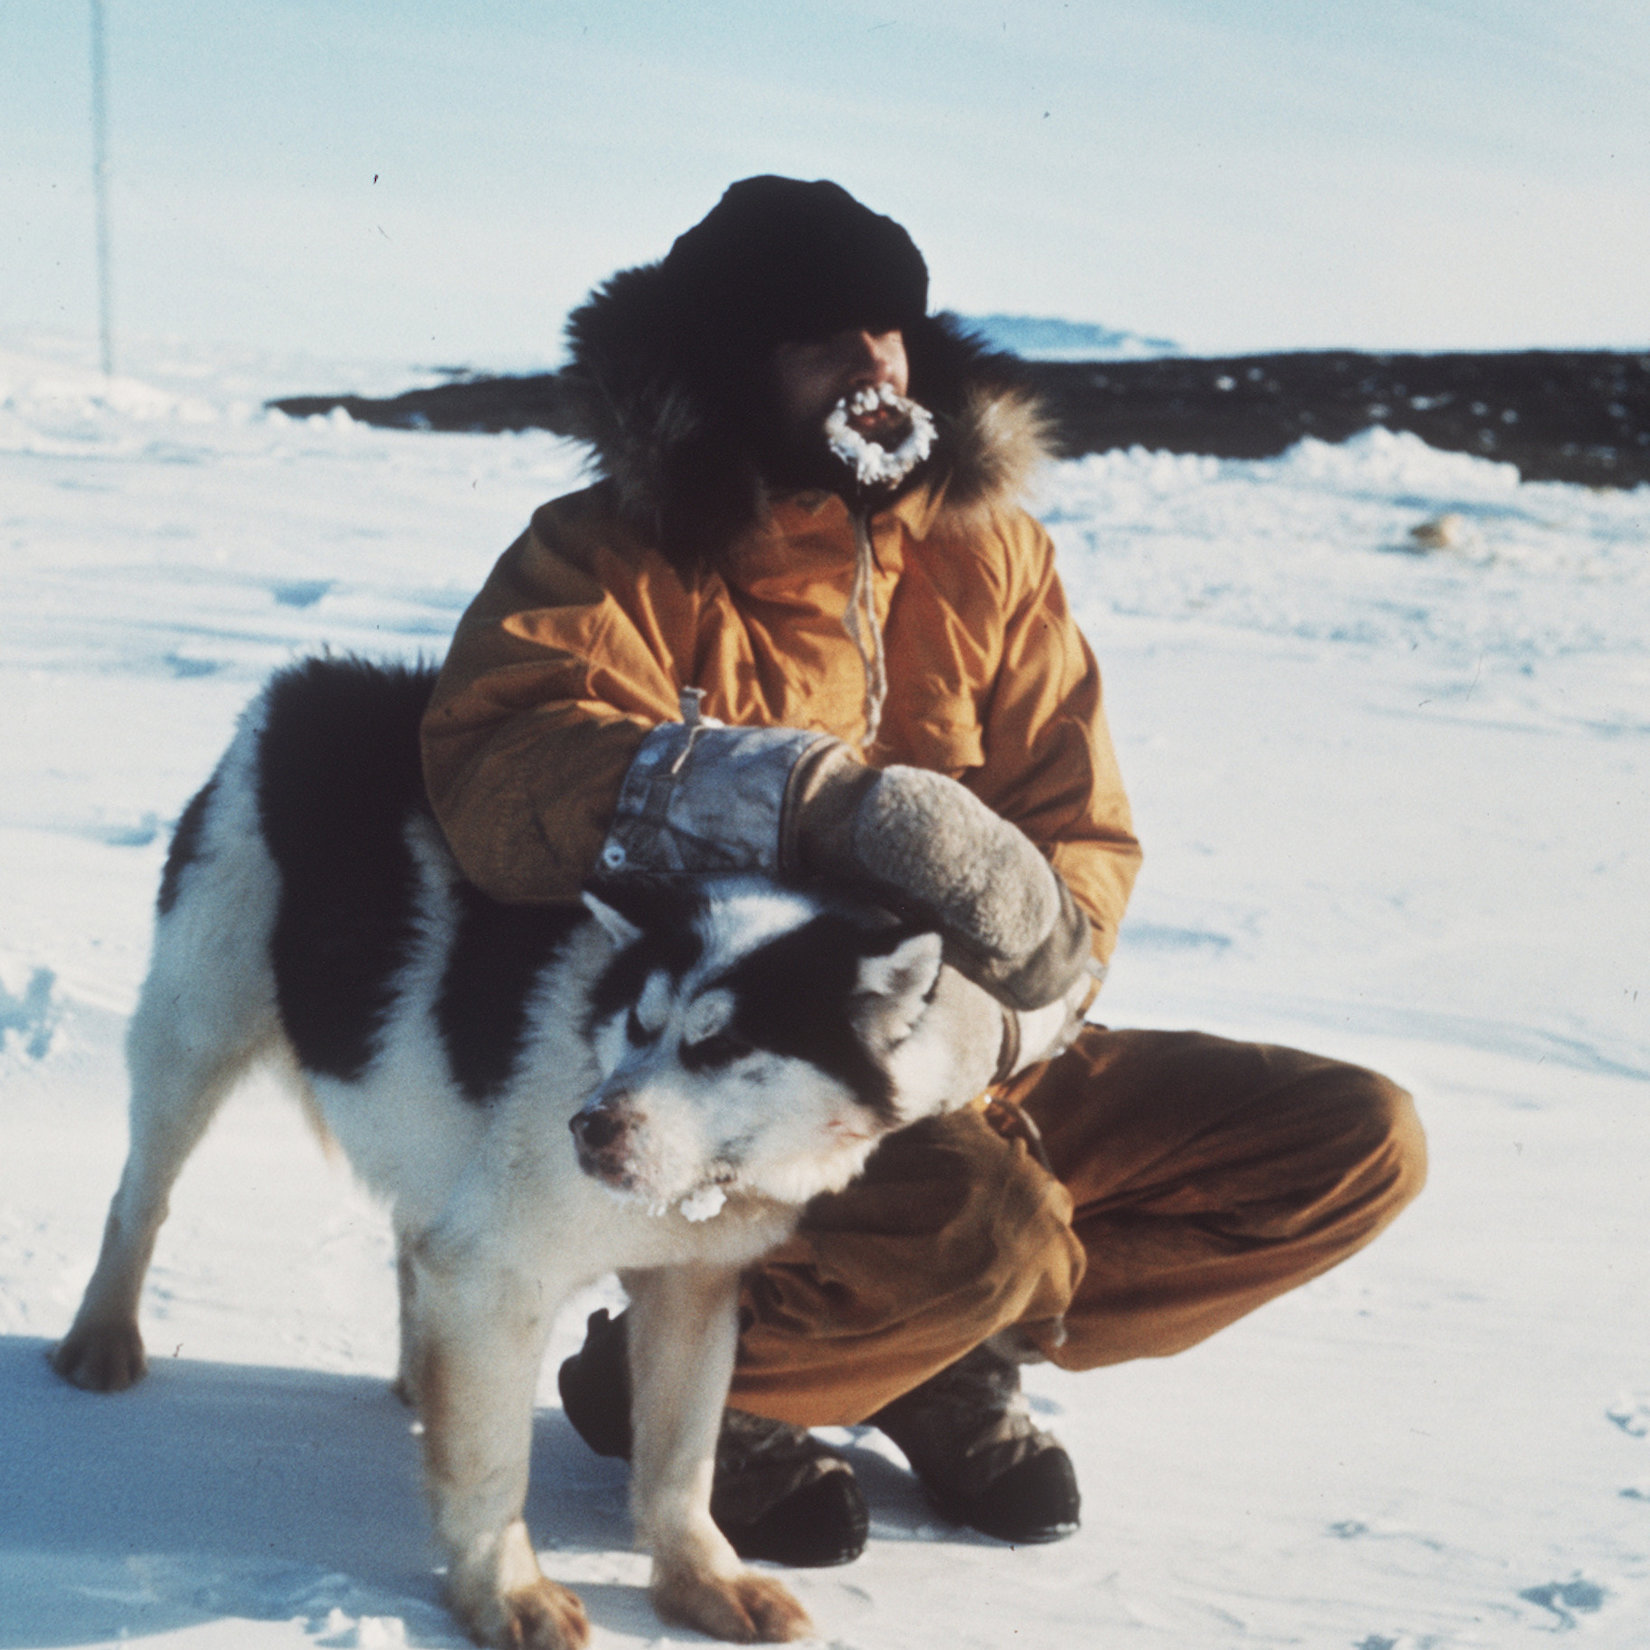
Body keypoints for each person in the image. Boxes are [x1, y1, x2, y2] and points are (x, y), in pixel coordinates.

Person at [421, 176, 1427, 1568]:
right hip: (749, 1071)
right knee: (983, 1220)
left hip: (976, 1048)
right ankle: (718, 1385)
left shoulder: (989, 551)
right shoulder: (608, 556)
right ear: (728, 364)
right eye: (821, 339)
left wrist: (1005, 1012)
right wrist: (797, 797)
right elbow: (501, 771)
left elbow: (1081, 825)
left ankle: (918, 1347)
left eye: (889, 331)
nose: (872, 367)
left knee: (1351, 1145)